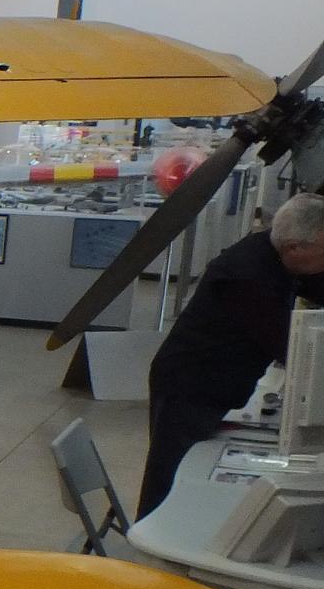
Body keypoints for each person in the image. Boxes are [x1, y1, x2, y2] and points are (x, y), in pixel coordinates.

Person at [138, 193, 324, 517]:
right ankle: (148, 540)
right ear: (295, 248)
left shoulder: (275, 251)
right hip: (189, 385)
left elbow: (315, 285)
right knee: (170, 481)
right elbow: (287, 346)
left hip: (214, 382)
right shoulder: (248, 276)